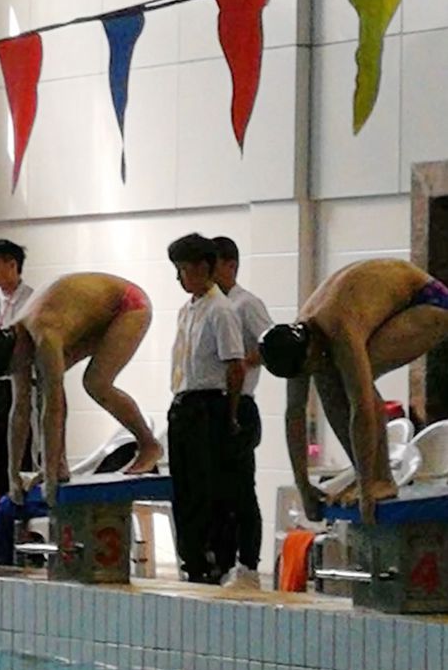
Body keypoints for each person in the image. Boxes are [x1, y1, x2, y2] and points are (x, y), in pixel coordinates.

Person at [258, 258, 448, 526]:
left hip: (428, 301)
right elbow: (294, 414)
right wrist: (303, 486)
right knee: (328, 378)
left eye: (311, 363)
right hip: (392, 306)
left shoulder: (339, 326)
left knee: (356, 376)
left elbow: (362, 406)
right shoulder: (298, 343)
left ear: (309, 349)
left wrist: (367, 490)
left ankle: (380, 480)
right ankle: (368, 476)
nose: (313, 368)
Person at [0, 272, 162, 506]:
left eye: (18, 364)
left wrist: (49, 477)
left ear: (16, 348)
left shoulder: (44, 334)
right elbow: (19, 411)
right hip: (96, 316)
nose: (21, 368)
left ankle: (149, 444)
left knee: (95, 383)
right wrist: (13, 476)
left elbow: (54, 407)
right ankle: (59, 465)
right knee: (42, 384)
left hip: (128, 304)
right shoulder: (17, 343)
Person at [167, 234, 245, 584]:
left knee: (207, 488)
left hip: (208, 404)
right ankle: (191, 557)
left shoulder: (221, 310)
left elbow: (235, 366)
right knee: (183, 487)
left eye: (183, 269)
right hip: (183, 404)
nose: (179, 278)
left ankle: (216, 559)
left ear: (202, 268)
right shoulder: (187, 310)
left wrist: (231, 414)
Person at [212, 235, 273, 591]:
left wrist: (241, 362)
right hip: (214, 403)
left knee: (241, 490)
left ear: (231, 265)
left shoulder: (245, 304)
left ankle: (248, 563)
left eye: (214, 265)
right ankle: (221, 561)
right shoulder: (207, 305)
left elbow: (271, 344)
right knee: (217, 492)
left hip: (241, 401)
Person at [0, 238, 33, 496]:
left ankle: (22, 495)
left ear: (12, 265)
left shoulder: (31, 298)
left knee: (19, 440)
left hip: (20, 378)